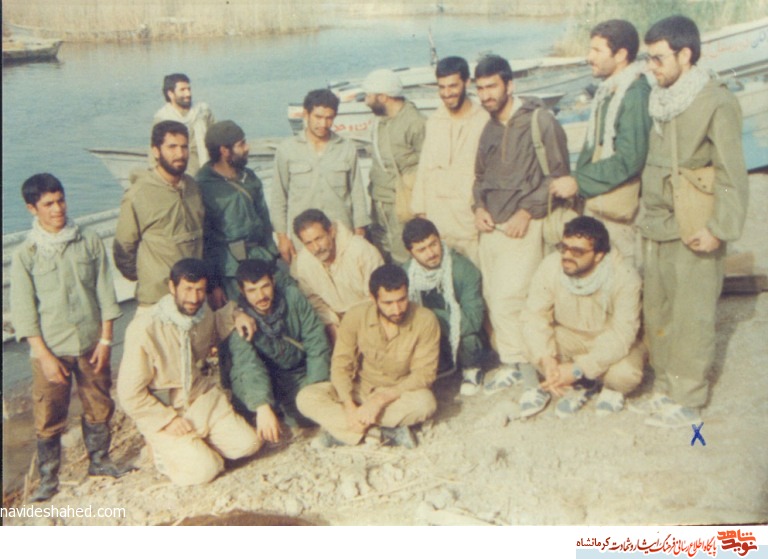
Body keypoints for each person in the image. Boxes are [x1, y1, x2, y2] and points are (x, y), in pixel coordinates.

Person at [635, 15, 748, 428]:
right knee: (659, 311)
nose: (651, 67)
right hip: (657, 224)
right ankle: (666, 387)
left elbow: (733, 175)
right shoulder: (660, 98)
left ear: (685, 55)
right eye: (648, 58)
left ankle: (688, 398)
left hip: (695, 225)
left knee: (692, 314)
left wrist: (719, 229)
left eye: (658, 58)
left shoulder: (716, 101)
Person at [11, 174, 133, 502]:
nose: (58, 209)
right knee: (49, 416)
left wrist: (106, 341)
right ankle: (49, 480)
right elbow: (24, 312)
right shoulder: (26, 254)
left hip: (91, 344)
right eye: (48, 204)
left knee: (99, 405)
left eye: (61, 200)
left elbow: (106, 293)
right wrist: (44, 357)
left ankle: (100, 461)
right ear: (32, 208)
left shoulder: (89, 241)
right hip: (50, 351)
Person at [472, 55, 570, 394]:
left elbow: (558, 177)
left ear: (510, 85)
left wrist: (527, 212)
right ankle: (514, 363)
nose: (486, 95)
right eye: (480, 89)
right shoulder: (488, 127)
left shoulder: (540, 121)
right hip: (492, 228)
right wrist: (478, 207)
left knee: (512, 299)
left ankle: (532, 372)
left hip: (525, 226)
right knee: (494, 299)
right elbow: (479, 177)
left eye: (492, 86)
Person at [117, 258, 261, 486]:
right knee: (205, 471)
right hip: (166, 410)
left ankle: (199, 446)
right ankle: (160, 451)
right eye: (188, 289)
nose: (194, 298)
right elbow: (129, 393)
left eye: (200, 290)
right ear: (172, 287)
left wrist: (237, 314)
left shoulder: (202, 314)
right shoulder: (145, 328)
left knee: (248, 444)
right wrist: (167, 420)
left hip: (200, 400)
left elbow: (218, 323)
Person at [297, 264, 440, 448]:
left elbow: (424, 375)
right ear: (373, 298)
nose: (397, 309)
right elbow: (341, 365)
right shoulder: (356, 316)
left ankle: (343, 433)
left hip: (397, 395)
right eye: (388, 303)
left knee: (425, 403)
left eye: (402, 300)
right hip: (360, 390)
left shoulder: (425, 320)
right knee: (306, 397)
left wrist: (380, 400)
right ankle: (379, 433)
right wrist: (349, 406)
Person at [549, 20, 652, 267]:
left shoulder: (634, 94)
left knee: (619, 275)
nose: (589, 57)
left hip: (618, 218)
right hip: (599, 208)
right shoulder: (609, 91)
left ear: (621, 55)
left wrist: (578, 181)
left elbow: (630, 158)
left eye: (597, 50)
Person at [521, 217, 644, 418]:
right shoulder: (551, 266)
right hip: (570, 337)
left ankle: (605, 387)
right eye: (564, 247)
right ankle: (579, 385)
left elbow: (622, 334)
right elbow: (535, 315)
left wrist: (579, 369)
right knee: (531, 345)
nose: (567, 256)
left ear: (598, 256)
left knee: (625, 375)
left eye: (577, 252)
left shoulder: (624, 276)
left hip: (609, 341)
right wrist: (547, 360)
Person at [224, 259, 330, 442]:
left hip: (300, 371)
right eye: (252, 290)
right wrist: (262, 405)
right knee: (295, 414)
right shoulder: (241, 322)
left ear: (273, 282)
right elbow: (249, 366)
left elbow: (316, 341)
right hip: (269, 379)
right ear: (242, 291)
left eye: (265, 287)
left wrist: (316, 387)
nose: (261, 296)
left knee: (324, 401)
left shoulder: (293, 297)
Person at [270, 89, 369, 265]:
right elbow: (279, 197)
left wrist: (359, 232)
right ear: (306, 114)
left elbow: (357, 193)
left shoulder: (346, 148)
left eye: (329, 118)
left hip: (341, 238)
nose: (323, 123)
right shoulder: (286, 150)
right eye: (318, 117)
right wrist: (282, 237)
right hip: (304, 241)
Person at [114, 120, 205, 308]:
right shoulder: (138, 194)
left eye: (184, 147)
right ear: (156, 151)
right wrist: (151, 276)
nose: (180, 154)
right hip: (158, 298)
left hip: (194, 296)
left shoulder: (193, 188)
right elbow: (123, 248)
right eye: (172, 147)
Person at [411, 56, 489, 265]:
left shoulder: (484, 121)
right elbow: (424, 169)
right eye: (442, 87)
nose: (447, 93)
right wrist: (420, 212)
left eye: (453, 86)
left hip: (470, 226)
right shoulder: (434, 121)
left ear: (467, 82)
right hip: (439, 225)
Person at [195, 120, 279, 307]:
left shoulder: (249, 178)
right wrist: (213, 285)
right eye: (241, 144)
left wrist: (272, 256)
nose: (247, 148)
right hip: (229, 271)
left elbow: (264, 221)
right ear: (225, 151)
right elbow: (204, 240)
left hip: (260, 259)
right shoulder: (202, 186)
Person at [401, 217, 489, 396]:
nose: (431, 253)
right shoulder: (406, 273)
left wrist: (429, 317)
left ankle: (471, 369)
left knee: (469, 338)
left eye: (433, 244)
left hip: (460, 333)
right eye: (422, 250)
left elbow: (473, 320)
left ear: (439, 239)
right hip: (428, 336)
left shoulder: (463, 269)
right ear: (410, 252)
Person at [291, 208, 384, 344]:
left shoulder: (362, 251)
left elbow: (377, 297)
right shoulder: (303, 263)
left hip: (371, 318)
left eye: (319, 238)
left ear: (331, 231)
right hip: (336, 325)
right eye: (308, 243)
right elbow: (315, 302)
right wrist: (332, 328)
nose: (316, 248)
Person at [363, 69, 426, 264]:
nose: (365, 101)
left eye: (368, 96)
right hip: (379, 201)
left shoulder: (415, 123)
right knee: (381, 251)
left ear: (383, 97)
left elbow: (428, 167)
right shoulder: (380, 119)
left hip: (402, 204)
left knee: (403, 255)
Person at [153, 73, 214, 175]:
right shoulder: (162, 118)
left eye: (189, 89)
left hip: (207, 169)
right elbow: (155, 155)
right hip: (181, 173)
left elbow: (215, 140)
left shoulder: (202, 111)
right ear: (170, 94)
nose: (188, 94)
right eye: (182, 90)